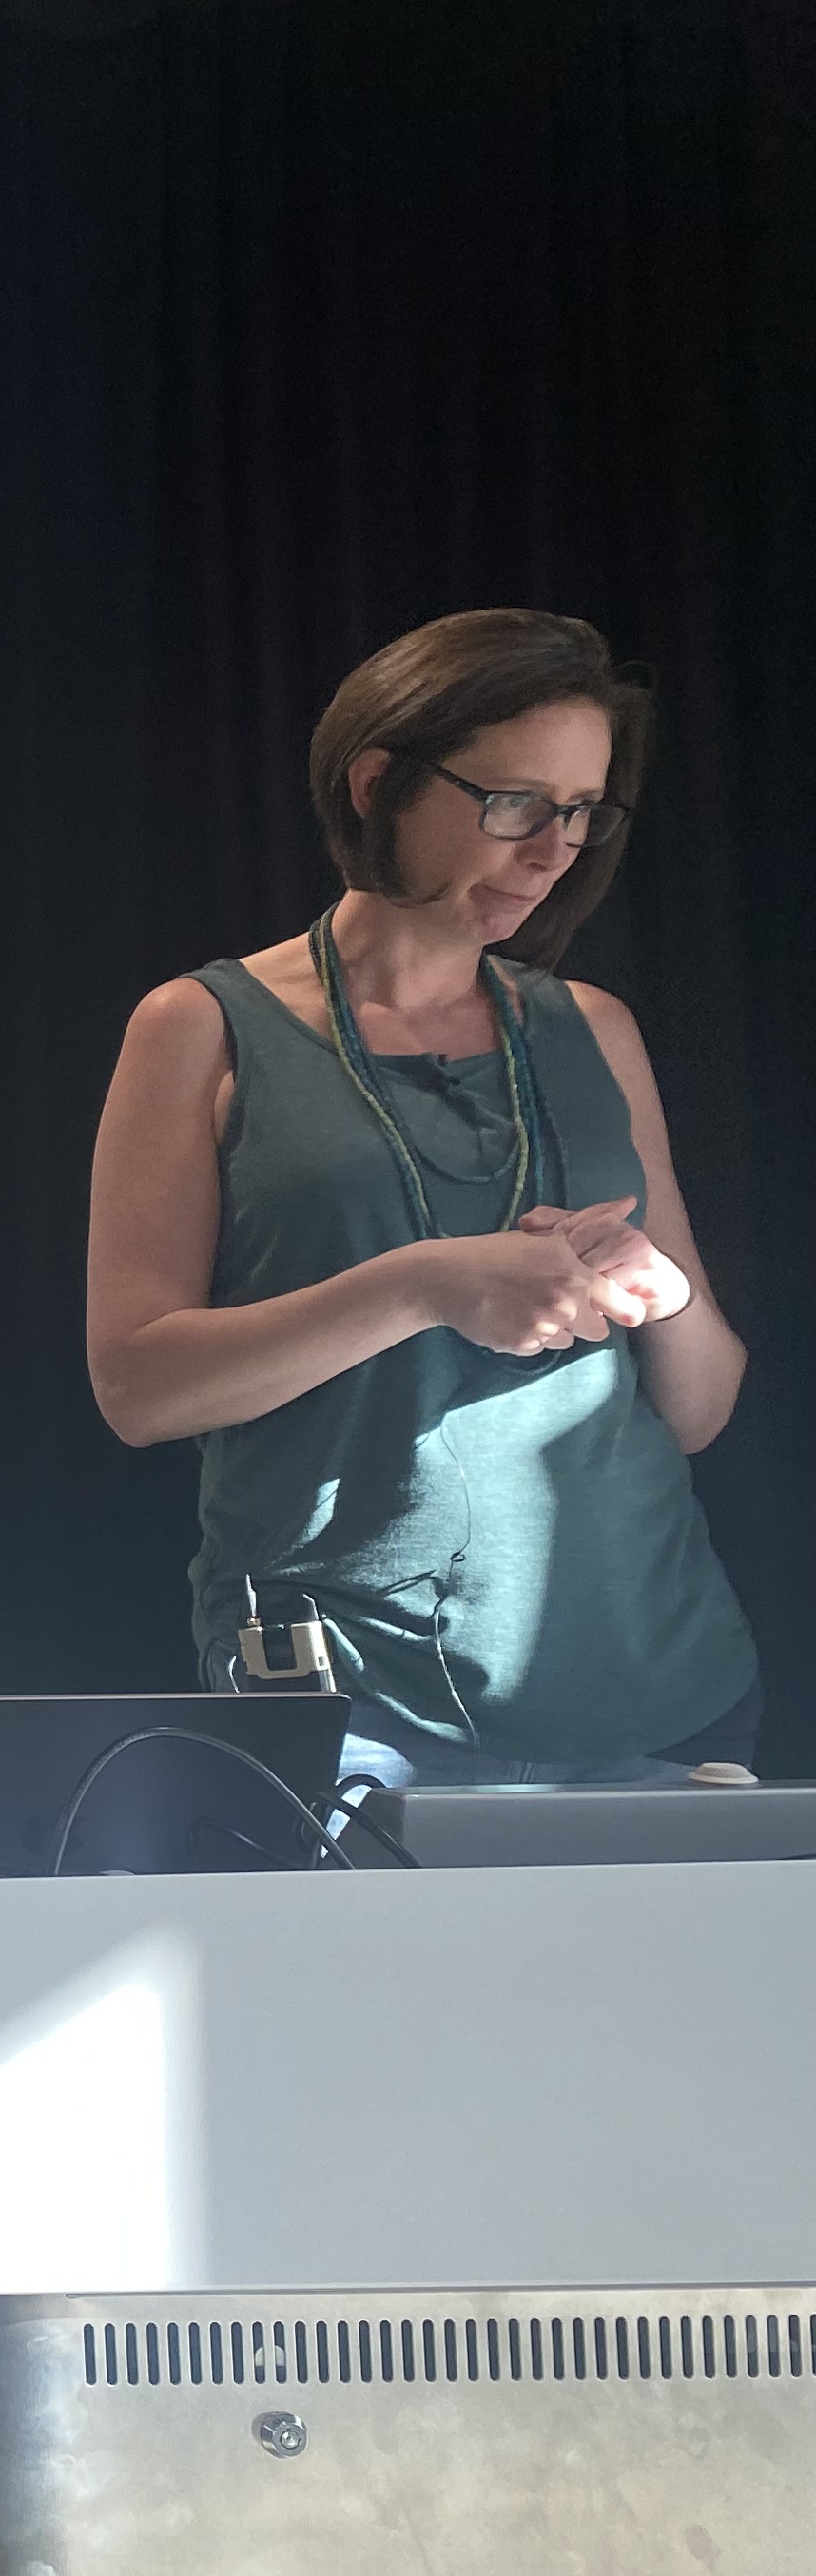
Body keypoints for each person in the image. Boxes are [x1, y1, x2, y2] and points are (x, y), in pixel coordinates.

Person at [85, 609, 758, 1786]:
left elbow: (699, 1410)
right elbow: (139, 1388)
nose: (553, 851)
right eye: (515, 804)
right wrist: (421, 1287)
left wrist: (665, 1294)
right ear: (378, 783)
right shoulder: (201, 1027)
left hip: (658, 1685)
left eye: (582, 812)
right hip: (356, 1703)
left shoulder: (594, 1029)